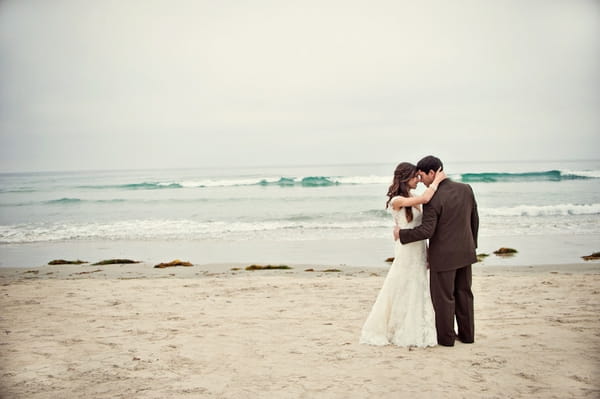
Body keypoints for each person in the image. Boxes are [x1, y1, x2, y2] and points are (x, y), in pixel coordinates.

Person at [394, 155, 479, 347]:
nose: (421, 181)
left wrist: (402, 234)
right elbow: (474, 219)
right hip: (466, 252)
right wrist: (472, 245)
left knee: (444, 299)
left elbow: (427, 231)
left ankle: (446, 339)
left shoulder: (433, 198)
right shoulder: (466, 189)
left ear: (432, 173)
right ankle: (467, 336)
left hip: (443, 257)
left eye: (422, 176)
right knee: (464, 294)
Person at [360, 162, 446, 347]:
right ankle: (399, 327)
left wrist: (429, 251)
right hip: (407, 249)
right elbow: (425, 199)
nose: (418, 179)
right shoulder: (396, 200)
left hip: (419, 247)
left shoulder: (413, 195)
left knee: (418, 284)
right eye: (415, 176)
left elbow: (422, 222)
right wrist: (436, 181)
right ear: (406, 178)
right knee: (404, 284)